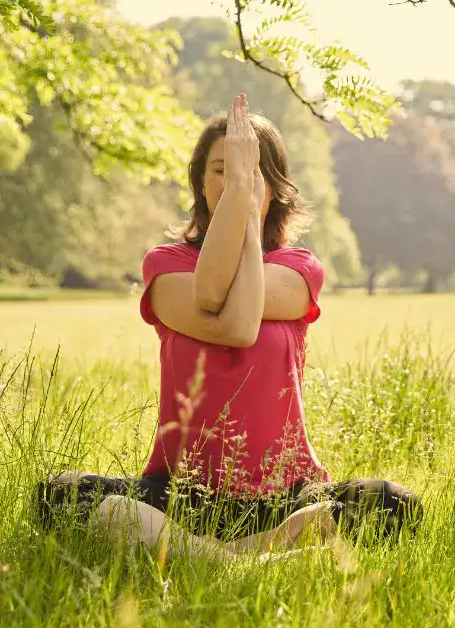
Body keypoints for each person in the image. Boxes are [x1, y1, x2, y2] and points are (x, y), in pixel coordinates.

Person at [36, 93, 423, 563]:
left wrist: (240, 204)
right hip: (180, 493)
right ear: (200, 182)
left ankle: (195, 555)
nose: (236, 179)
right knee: (56, 496)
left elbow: (235, 318)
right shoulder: (166, 264)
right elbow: (220, 304)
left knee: (393, 505)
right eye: (222, 169)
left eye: (250, 169)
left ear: (275, 185)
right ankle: (246, 560)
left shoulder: (298, 267)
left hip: (283, 494)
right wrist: (241, 199)